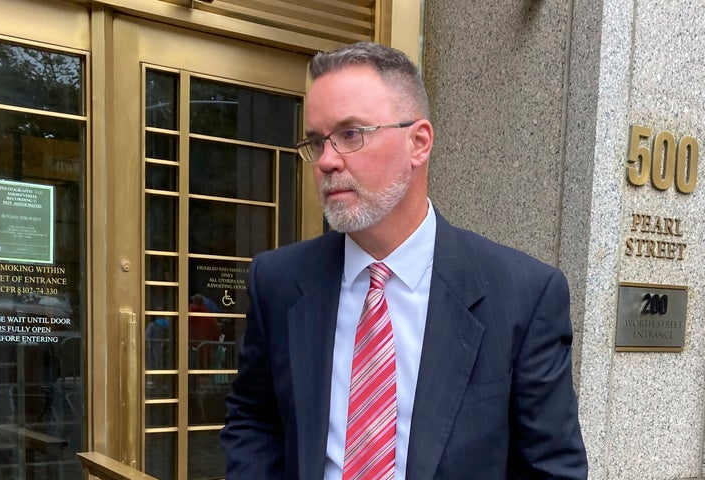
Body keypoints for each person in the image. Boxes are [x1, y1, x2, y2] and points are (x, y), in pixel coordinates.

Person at [221, 41, 588, 479]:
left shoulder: (524, 296)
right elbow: (255, 422)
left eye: (351, 134)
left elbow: (552, 469)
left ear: (419, 142)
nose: (327, 161)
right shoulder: (278, 282)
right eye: (317, 141)